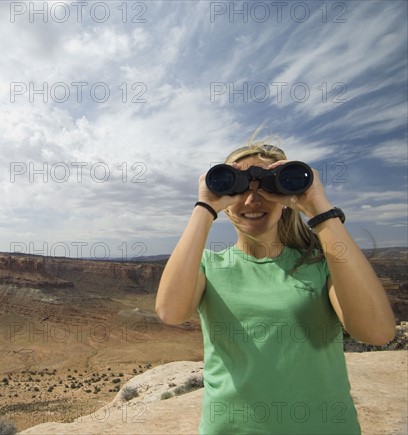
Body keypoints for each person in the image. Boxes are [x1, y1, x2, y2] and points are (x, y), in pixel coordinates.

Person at [155, 138, 396, 434]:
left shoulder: (322, 264)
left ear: (286, 196)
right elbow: (170, 311)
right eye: (239, 188)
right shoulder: (209, 266)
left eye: (269, 187)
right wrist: (205, 206)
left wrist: (318, 206)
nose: (252, 200)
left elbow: (377, 332)